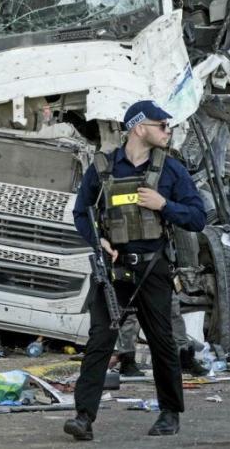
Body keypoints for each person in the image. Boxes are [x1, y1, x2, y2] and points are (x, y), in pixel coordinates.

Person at [64, 100, 206, 440]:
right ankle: (83, 417)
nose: (168, 131)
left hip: (153, 268)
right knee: (100, 340)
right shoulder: (103, 168)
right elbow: (81, 213)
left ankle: (170, 413)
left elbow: (198, 217)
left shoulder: (171, 171)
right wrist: (99, 241)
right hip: (114, 271)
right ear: (140, 127)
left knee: (162, 342)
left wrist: (164, 205)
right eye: (162, 125)